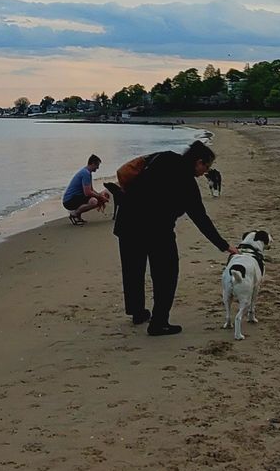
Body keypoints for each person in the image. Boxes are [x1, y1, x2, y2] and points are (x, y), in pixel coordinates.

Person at [113, 141, 234, 335]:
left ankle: (137, 312)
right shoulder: (187, 182)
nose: (205, 172)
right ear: (198, 161)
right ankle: (159, 323)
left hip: (127, 222)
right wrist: (224, 245)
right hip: (157, 230)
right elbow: (200, 218)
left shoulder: (164, 157)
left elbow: (136, 170)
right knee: (166, 275)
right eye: (206, 166)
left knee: (133, 270)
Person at [62, 154, 107, 223]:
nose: (97, 168)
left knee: (98, 198)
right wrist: (100, 197)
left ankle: (77, 216)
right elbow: (88, 192)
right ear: (92, 164)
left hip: (73, 198)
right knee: (94, 201)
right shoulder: (85, 173)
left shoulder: (87, 173)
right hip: (69, 201)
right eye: (97, 165)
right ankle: (75, 214)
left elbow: (91, 190)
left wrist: (100, 196)